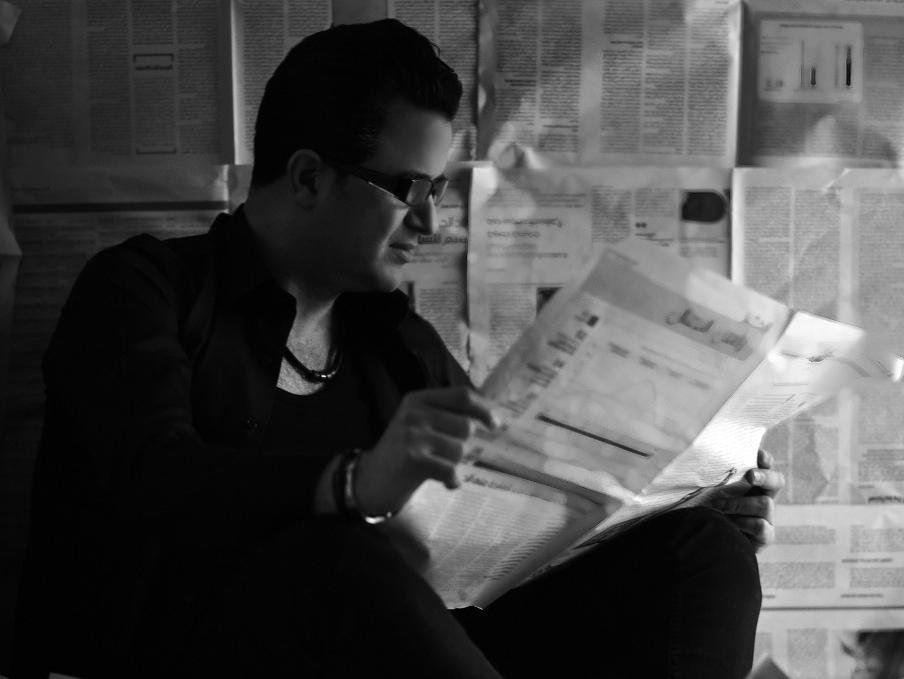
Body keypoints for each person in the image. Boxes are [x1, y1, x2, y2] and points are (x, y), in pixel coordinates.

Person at [12, 19, 783, 679]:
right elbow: (152, 480)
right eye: (410, 190)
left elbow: (499, 530)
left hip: (411, 646)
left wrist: (682, 502)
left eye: (438, 193)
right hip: (186, 648)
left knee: (700, 552)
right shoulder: (143, 287)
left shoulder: (399, 342)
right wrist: (353, 483)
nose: (432, 223)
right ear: (309, 177)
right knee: (340, 556)